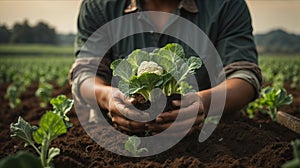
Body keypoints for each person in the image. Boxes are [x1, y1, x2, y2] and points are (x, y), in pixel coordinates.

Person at [69, 0, 262, 136]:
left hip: (209, 139)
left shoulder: (226, 5)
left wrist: (205, 102)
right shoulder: (99, 5)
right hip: (118, 135)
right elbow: (85, 74)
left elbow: (244, 76)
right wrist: (107, 96)